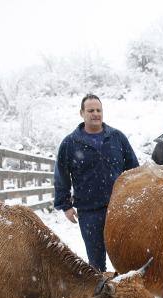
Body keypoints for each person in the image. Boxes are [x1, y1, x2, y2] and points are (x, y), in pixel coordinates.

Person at [54, 94, 139, 271]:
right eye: (90, 110)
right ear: (81, 113)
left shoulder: (117, 138)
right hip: (89, 212)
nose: (95, 114)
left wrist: (135, 198)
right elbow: (61, 175)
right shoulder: (70, 143)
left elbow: (134, 170)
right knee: (96, 263)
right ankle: (103, 295)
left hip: (118, 209)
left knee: (125, 258)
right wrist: (66, 205)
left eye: (98, 110)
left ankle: (126, 294)